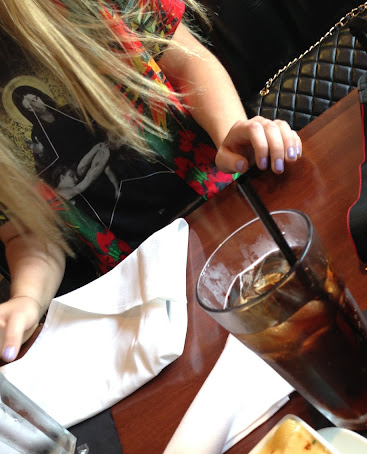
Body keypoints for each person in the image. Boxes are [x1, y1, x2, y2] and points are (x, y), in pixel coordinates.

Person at [0, 0, 302, 363]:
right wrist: (27, 299)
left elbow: (188, 62)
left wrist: (230, 131)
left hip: (225, 207)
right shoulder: (37, 136)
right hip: (138, 292)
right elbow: (28, 231)